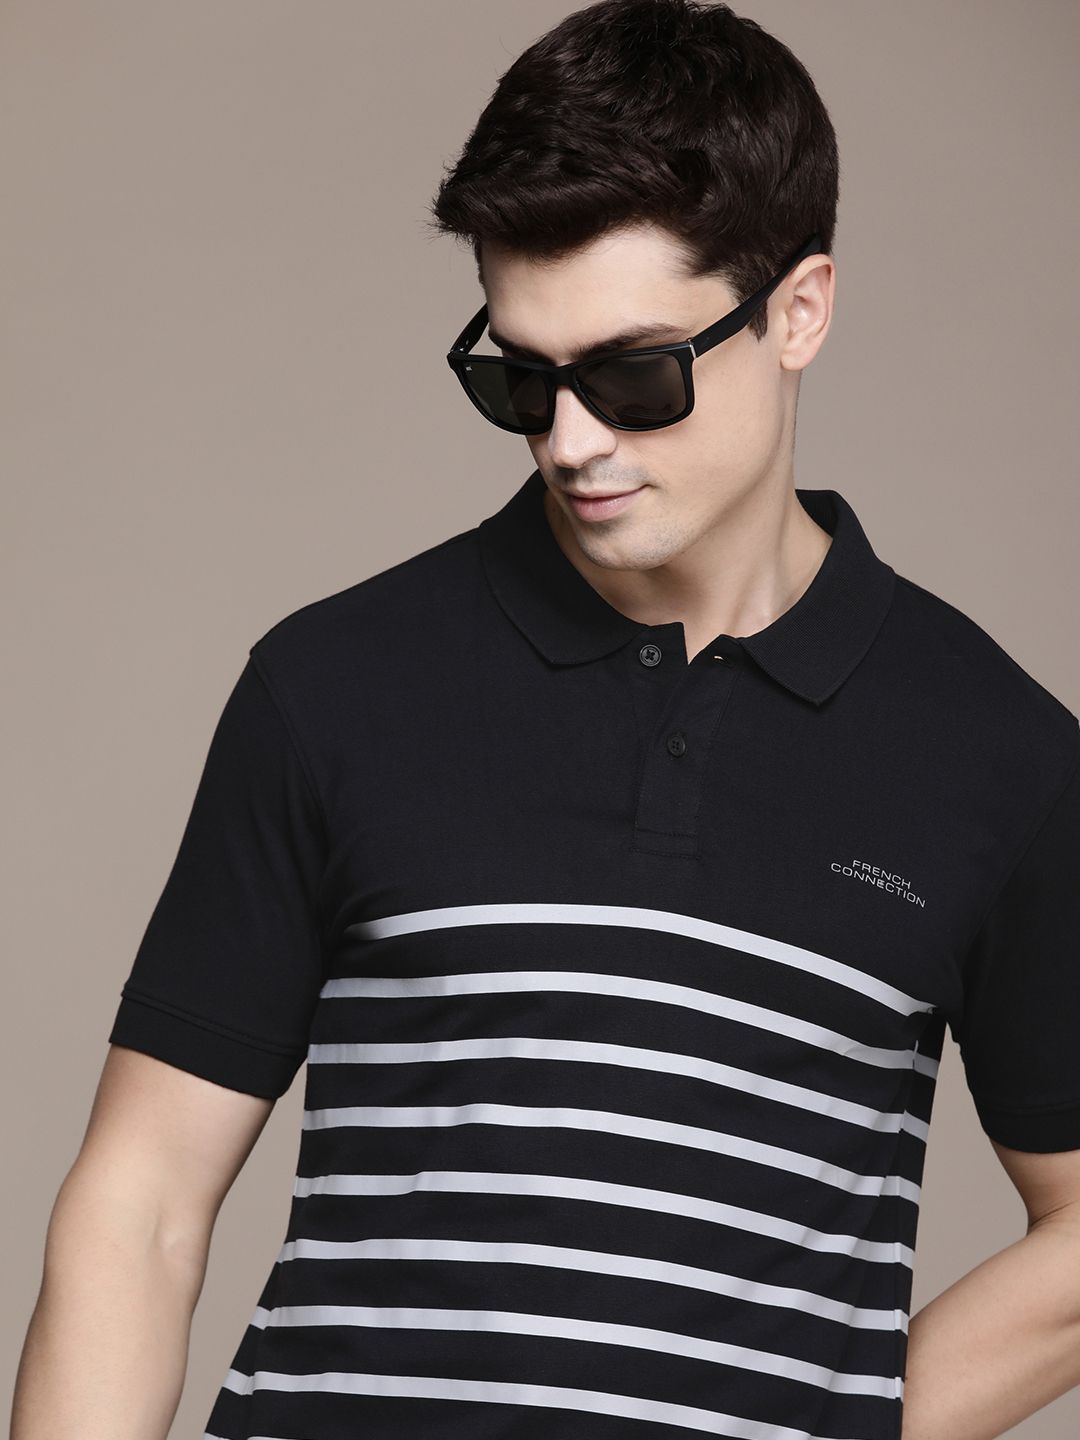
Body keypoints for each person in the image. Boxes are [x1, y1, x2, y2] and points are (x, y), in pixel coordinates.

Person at [13, 1, 1080, 1438]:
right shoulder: (334, 685)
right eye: (521, 379)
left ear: (800, 310)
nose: (572, 442)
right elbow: (140, 1206)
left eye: (634, 376)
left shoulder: (999, 756)